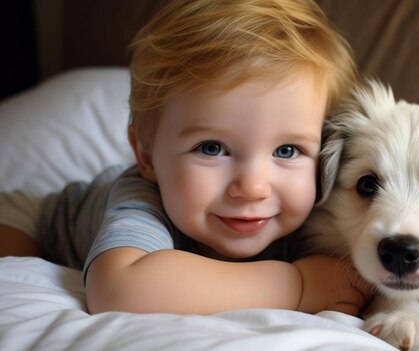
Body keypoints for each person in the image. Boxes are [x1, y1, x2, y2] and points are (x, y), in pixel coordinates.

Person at [0, 0, 372, 317]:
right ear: (146, 156)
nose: (253, 187)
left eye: (287, 151)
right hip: (29, 219)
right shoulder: (142, 202)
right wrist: (299, 284)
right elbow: (118, 289)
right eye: (211, 148)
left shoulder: (313, 214)